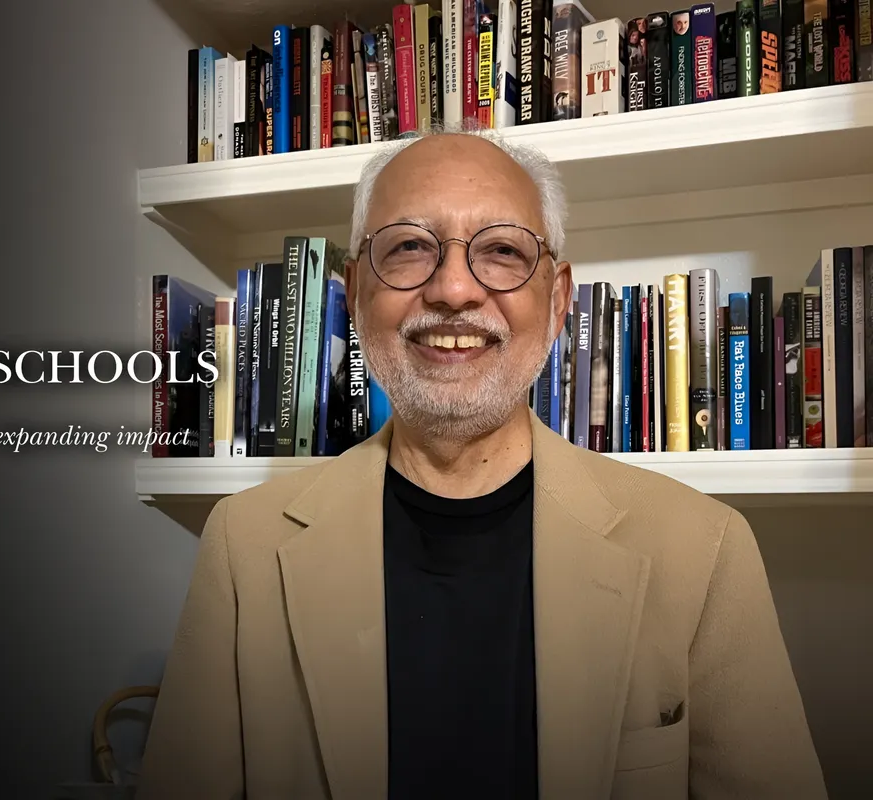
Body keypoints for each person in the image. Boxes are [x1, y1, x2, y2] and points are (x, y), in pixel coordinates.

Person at [136, 129, 827, 799]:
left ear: (559, 301)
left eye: (500, 250)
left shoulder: (703, 551)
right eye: (409, 246)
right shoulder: (243, 547)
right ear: (355, 292)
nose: (453, 290)